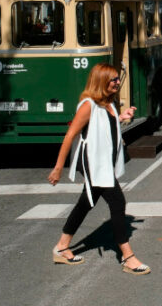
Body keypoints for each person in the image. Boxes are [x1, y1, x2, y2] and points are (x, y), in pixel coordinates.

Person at [47, 63, 150, 275]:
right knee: (118, 202)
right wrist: (58, 167)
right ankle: (128, 257)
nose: (118, 82)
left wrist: (122, 117)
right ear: (101, 81)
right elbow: (70, 136)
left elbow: (105, 126)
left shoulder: (108, 104)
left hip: (104, 162)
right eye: (113, 79)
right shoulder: (88, 105)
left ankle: (61, 246)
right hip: (94, 164)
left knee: (85, 203)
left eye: (117, 79)